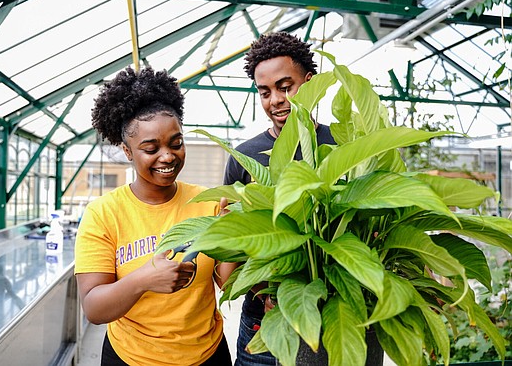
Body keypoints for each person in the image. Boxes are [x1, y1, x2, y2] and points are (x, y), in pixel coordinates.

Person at [75, 66, 234, 366]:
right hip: (131, 358)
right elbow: (94, 309)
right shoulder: (103, 214)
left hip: (207, 356)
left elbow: (227, 284)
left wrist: (232, 233)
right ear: (127, 151)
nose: (167, 156)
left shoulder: (207, 203)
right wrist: (144, 279)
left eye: (176, 144)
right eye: (150, 148)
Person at [224, 32, 336, 365]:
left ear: (309, 82)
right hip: (265, 324)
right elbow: (233, 244)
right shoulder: (245, 157)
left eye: (286, 87)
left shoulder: (342, 143)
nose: (276, 100)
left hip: (334, 321)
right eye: (265, 92)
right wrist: (265, 291)